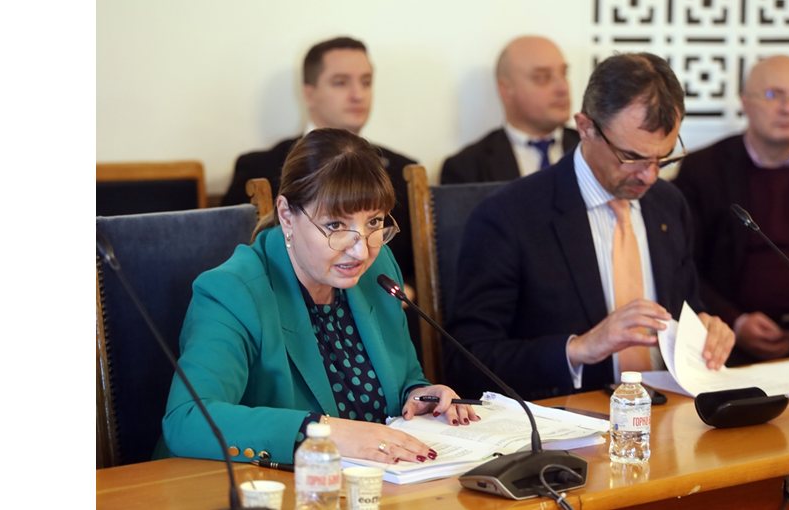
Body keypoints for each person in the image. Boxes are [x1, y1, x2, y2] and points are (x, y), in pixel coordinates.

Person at [162, 129, 476, 465]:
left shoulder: (377, 268)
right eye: (336, 226)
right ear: (287, 215)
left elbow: (403, 379)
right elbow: (188, 420)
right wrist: (324, 432)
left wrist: (420, 395)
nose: (361, 250)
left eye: (374, 222)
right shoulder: (232, 291)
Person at [444, 53, 735, 401]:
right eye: (632, 157)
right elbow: (468, 360)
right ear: (586, 127)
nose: (649, 176)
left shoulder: (669, 204)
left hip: (670, 409)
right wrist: (578, 349)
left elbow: (687, 308)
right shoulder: (508, 217)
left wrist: (704, 330)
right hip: (568, 418)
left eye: (663, 157)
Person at [672, 55, 789, 366]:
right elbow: (682, 266)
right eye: (773, 95)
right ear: (745, 102)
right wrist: (736, 322)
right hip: (724, 348)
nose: (787, 108)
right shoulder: (702, 171)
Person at [221, 36, 417, 286]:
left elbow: (416, 272)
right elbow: (234, 266)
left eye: (366, 82)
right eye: (340, 82)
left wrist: (404, 293)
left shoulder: (401, 169)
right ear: (309, 93)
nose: (358, 95)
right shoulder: (259, 168)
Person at [440, 35, 579, 184]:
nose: (562, 88)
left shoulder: (592, 148)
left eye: (564, 73)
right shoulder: (466, 168)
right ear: (506, 89)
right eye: (542, 77)